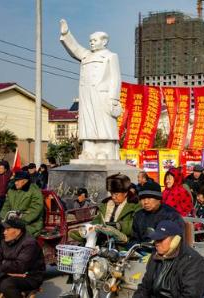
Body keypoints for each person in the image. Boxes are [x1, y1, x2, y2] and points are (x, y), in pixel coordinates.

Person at [60, 19, 121, 160]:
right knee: (87, 123)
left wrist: (113, 98)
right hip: (86, 94)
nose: (91, 43)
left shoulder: (111, 56)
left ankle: (105, 150)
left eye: (94, 40)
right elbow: (74, 48)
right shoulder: (86, 55)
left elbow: (115, 78)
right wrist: (66, 33)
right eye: (90, 40)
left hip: (103, 95)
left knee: (103, 123)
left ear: (104, 42)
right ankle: (88, 149)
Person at [134, 220, 204, 298]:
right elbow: (144, 287)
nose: (157, 243)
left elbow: (191, 295)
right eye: (156, 239)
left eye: (161, 239)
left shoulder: (193, 262)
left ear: (175, 240)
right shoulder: (155, 255)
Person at [0, 218, 45, 298]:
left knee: (7, 284)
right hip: (7, 273)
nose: (4, 232)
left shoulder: (29, 243)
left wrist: (4, 264)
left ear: (18, 231)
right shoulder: (4, 241)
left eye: (7, 229)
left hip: (30, 276)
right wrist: (6, 272)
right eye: (4, 230)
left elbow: (20, 266)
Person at [71, 174, 141, 244]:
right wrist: (88, 229)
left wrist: (119, 226)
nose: (113, 197)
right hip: (103, 241)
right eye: (111, 193)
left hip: (123, 244)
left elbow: (136, 226)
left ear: (125, 193)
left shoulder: (135, 205)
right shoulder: (106, 204)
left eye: (116, 194)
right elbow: (98, 220)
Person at [0, 171, 44, 237]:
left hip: (31, 223)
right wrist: (3, 218)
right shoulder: (12, 190)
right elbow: (6, 206)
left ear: (25, 181)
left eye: (17, 181)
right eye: (15, 181)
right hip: (13, 222)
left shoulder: (34, 191)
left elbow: (35, 209)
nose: (15, 183)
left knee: (15, 234)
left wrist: (21, 220)